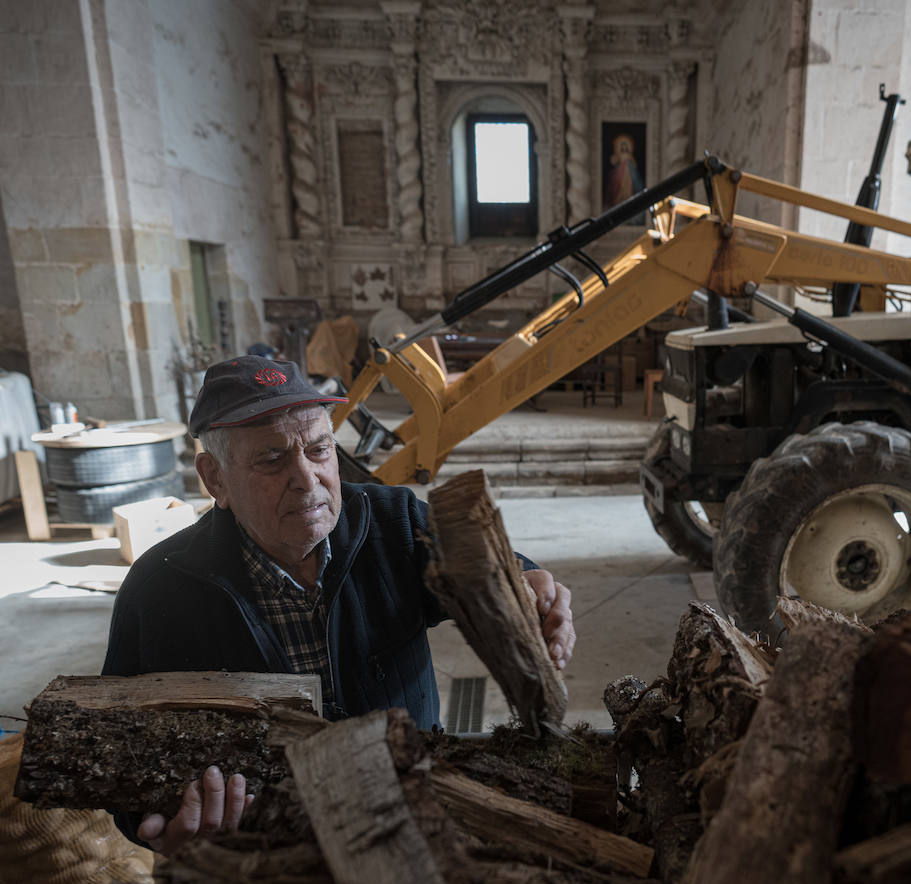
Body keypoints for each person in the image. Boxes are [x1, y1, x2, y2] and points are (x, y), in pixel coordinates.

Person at [102, 355, 575, 854]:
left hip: (409, 811)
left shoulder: (393, 523)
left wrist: (527, 578)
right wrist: (160, 828)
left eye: (318, 449)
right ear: (214, 478)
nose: (307, 479)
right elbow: (113, 755)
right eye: (272, 459)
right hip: (261, 851)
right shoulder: (160, 586)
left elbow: (483, 567)